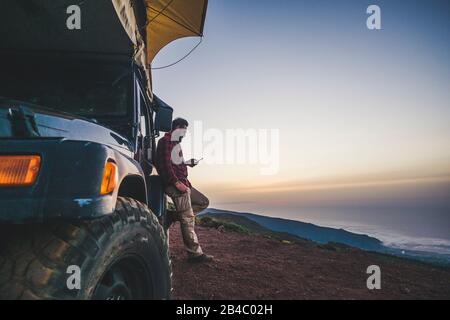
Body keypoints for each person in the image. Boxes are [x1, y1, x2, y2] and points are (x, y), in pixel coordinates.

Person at [156, 117, 213, 263]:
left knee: (203, 202)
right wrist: (175, 183)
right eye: (184, 130)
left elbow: (174, 163)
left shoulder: (175, 144)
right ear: (177, 128)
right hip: (175, 184)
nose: (185, 134)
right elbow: (164, 165)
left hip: (185, 183)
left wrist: (187, 163)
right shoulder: (166, 141)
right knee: (187, 218)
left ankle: (173, 216)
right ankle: (195, 254)